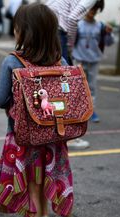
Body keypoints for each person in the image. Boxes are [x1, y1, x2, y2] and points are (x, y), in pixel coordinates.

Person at [0, 4, 74, 217]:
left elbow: (0, 100)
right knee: (44, 176)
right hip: (53, 134)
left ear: (23, 32)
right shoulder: (60, 59)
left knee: (30, 184)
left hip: (23, 137)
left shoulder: (12, 62)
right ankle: (45, 216)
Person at [45, 0, 99, 150]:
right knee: (65, 86)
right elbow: (72, 19)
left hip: (45, 29)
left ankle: (49, 129)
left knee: (50, 82)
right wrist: (70, 44)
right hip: (59, 33)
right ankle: (67, 135)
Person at [72, 0, 114, 123]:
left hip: (94, 61)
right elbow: (71, 40)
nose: (92, 12)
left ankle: (91, 111)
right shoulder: (78, 24)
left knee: (92, 87)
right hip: (79, 59)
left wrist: (109, 34)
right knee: (77, 86)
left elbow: (109, 43)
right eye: (91, 9)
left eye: (95, 10)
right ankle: (76, 110)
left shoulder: (100, 26)